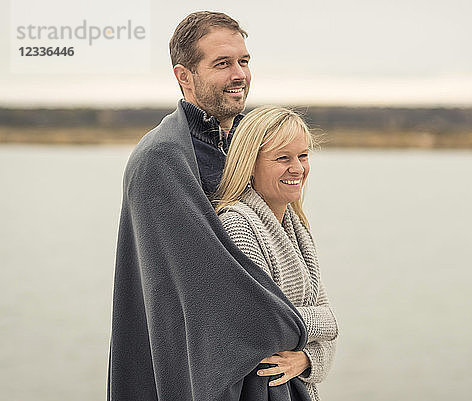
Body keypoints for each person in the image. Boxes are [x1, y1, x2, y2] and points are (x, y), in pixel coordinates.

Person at [108, 12, 314, 401]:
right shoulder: (162, 158)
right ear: (184, 76)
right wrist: (316, 327)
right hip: (205, 381)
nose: (240, 74)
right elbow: (223, 295)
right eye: (222, 64)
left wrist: (308, 351)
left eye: (244, 61)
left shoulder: (234, 146)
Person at [215, 106, 338, 401]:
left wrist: (306, 359)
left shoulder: (298, 228)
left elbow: (328, 334)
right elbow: (262, 327)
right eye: (283, 158)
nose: (297, 168)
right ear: (249, 164)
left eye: (303, 156)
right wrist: (324, 323)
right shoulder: (238, 225)